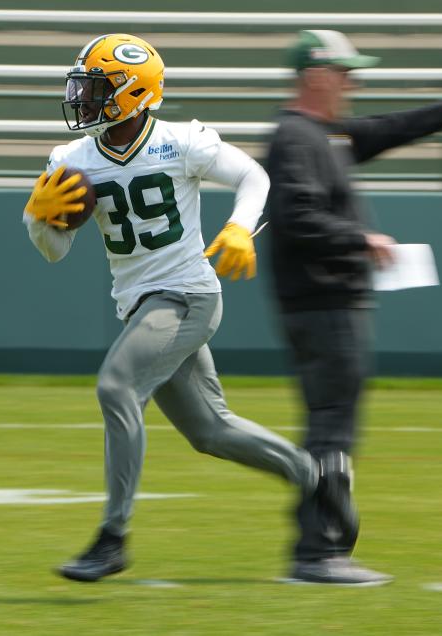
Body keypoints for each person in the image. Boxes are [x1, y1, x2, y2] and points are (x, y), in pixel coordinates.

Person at [22, 33, 354, 583]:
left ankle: (113, 538)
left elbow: (254, 176)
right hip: (142, 307)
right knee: (211, 432)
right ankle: (315, 475)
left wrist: (240, 228)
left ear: (131, 92)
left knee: (116, 387)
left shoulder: (179, 141)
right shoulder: (71, 159)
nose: (81, 98)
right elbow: (55, 252)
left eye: (96, 88)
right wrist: (38, 218)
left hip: (188, 295)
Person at [264, 29, 442, 585]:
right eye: (345, 72)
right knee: (332, 427)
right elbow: (296, 217)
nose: (352, 82)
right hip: (322, 303)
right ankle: (318, 554)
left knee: (332, 425)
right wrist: (362, 239)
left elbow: (388, 129)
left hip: (333, 303)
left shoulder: (323, 134)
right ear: (316, 76)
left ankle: (320, 548)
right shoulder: (295, 138)